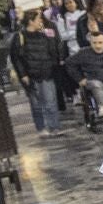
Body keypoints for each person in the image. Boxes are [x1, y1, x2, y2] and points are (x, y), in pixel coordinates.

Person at [8, 8, 66, 136]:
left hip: (47, 72)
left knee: (51, 101)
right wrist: (23, 74)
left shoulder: (44, 34)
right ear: (31, 21)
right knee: (36, 104)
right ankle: (42, 128)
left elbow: (53, 50)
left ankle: (54, 126)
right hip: (31, 75)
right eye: (38, 18)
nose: (41, 20)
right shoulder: (20, 37)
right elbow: (16, 58)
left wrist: (48, 35)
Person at [66, 26, 103, 114]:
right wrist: (79, 78)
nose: (97, 45)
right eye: (94, 43)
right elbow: (69, 63)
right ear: (90, 43)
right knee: (96, 84)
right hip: (94, 79)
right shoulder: (84, 53)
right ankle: (102, 107)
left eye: (100, 42)